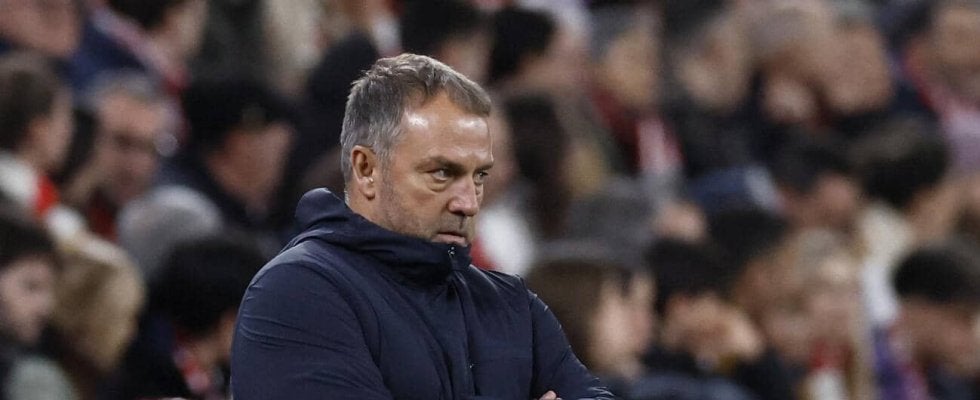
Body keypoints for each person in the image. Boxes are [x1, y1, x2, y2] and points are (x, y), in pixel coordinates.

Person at [231, 53, 615, 400]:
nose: (469, 202)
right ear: (366, 169)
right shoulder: (297, 293)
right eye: (442, 173)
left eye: (479, 176)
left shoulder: (511, 304)